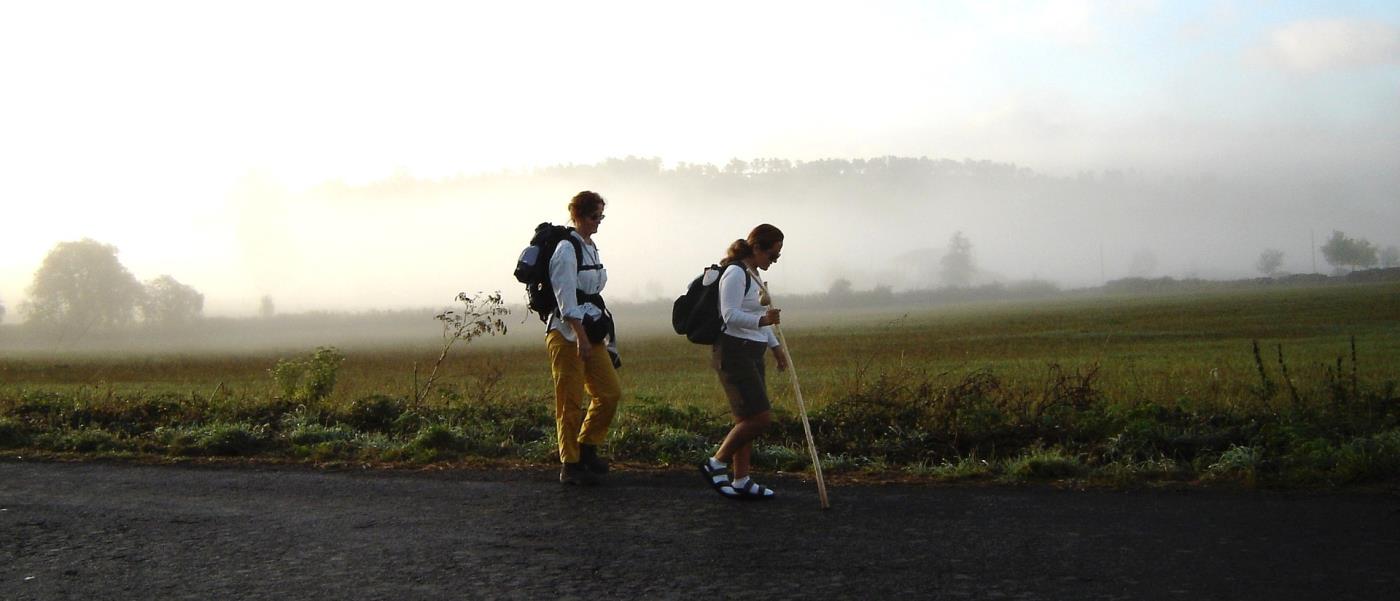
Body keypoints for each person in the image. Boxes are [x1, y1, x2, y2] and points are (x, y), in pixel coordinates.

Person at [699, 224, 788, 500]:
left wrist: (776, 348)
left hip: (753, 351)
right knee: (760, 418)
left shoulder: (754, 275)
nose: (773, 262)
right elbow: (730, 315)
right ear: (758, 248)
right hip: (733, 351)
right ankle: (715, 462)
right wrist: (764, 320)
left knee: (745, 418)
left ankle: (742, 479)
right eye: (772, 256)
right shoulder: (736, 273)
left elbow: (760, 321)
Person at [546, 190, 622, 485]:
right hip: (567, 334)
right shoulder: (566, 249)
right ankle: (571, 464)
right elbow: (565, 296)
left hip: (590, 330)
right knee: (570, 401)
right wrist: (579, 336)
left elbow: (592, 289)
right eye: (594, 217)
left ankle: (588, 446)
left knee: (609, 392)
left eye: (601, 216)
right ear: (577, 215)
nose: (598, 222)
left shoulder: (590, 246)